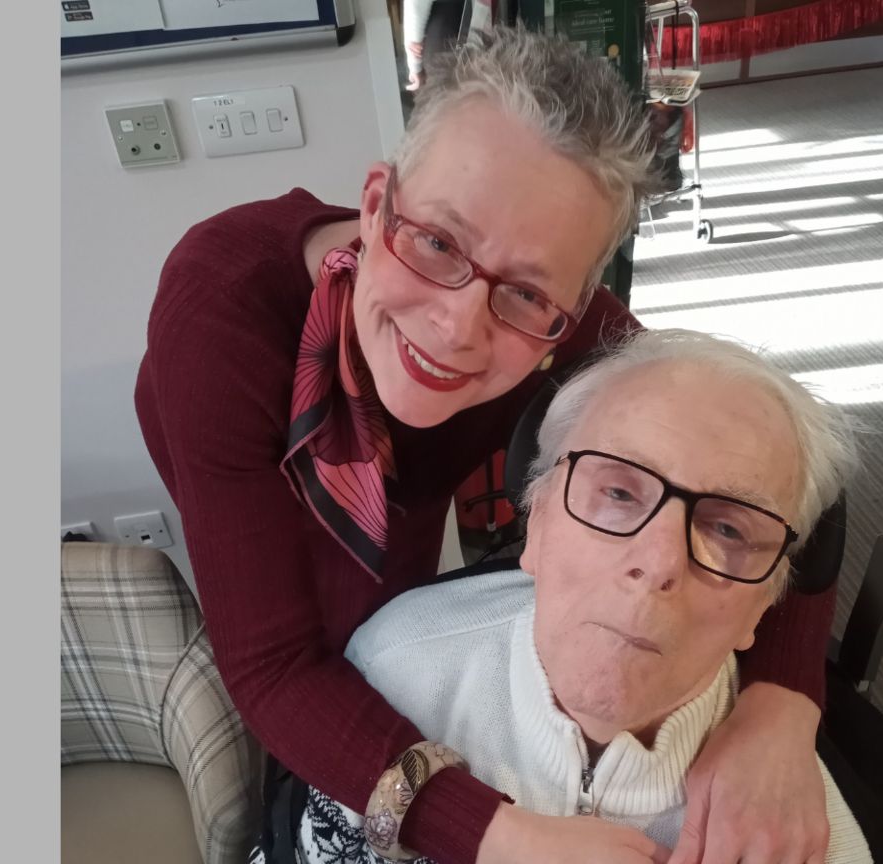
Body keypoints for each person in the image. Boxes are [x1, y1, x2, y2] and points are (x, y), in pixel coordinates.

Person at [135, 26, 843, 864]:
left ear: (573, 314)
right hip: (252, 468)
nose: (455, 329)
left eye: (526, 293)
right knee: (313, 678)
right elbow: (272, 668)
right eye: (436, 241)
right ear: (373, 206)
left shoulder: (583, 334)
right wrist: (499, 836)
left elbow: (789, 476)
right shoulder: (222, 310)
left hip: (402, 502)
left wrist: (780, 710)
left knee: (375, 646)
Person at [252, 329, 869, 864]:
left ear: (765, 605)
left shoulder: (804, 843)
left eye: (729, 529)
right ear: (538, 522)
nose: (657, 564)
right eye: (619, 493)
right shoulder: (389, 672)